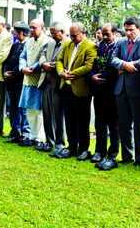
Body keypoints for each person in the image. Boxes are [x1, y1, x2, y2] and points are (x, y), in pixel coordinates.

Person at [111, 16, 140, 167]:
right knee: (123, 124)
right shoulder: (121, 41)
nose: (129, 33)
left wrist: (130, 65)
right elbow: (113, 58)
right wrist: (124, 64)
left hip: (139, 89)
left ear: (139, 29)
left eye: (132, 30)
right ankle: (126, 155)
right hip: (121, 88)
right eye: (126, 30)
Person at [54, 23, 98, 160]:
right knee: (69, 118)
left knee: (83, 120)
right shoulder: (68, 45)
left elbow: (88, 66)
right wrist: (61, 73)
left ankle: (83, 149)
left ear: (83, 33)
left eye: (75, 35)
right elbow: (59, 60)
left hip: (81, 89)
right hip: (66, 87)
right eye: (71, 35)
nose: (72, 38)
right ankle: (71, 146)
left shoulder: (91, 46)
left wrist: (71, 73)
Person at [90, 23, 121, 170]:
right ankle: (99, 151)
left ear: (115, 33)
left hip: (112, 88)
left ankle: (113, 153)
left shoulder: (118, 46)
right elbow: (92, 64)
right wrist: (92, 76)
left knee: (113, 123)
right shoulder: (99, 46)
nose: (105, 37)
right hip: (98, 89)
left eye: (108, 34)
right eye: (103, 34)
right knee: (99, 121)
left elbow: (114, 67)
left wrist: (101, 76)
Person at [39, 21, 69, 152]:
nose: (52, 36)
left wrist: (54, 66)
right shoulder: (51, 42)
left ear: (62, 32)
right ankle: (49, 141)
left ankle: (59, 143)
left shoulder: (68, 43)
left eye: (54, 34)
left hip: (58, 83)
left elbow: (65, 61)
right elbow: (42, 54)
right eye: (50, 33)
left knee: (58, 114)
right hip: (45, 81)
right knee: (46, 114)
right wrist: (43, 64)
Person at [19, 19, 50, 147]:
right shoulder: (28, 41)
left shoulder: (48, 41)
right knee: (30, 109)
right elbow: (23, 56)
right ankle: (32, 135)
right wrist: (23, 68)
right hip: (27, 78)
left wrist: (32, 68)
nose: (31, 30)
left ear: (42, 28)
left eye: (34, 27)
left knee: (39, 111)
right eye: (30, 27)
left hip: (39, 79)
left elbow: (44, 58)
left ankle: (40, 137)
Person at [3, 22, 29, 144]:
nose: (16, 34)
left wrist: (13, 72)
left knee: (21, 108)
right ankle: (14, 131)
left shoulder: (28, 45)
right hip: (11, 81)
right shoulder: (15, 45)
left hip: (19, 80)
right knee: (13, 107)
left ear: (23, 33)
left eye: (17, 32)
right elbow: (7, 60)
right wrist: (5, 72)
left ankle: (24, 133)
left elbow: (23, 63)